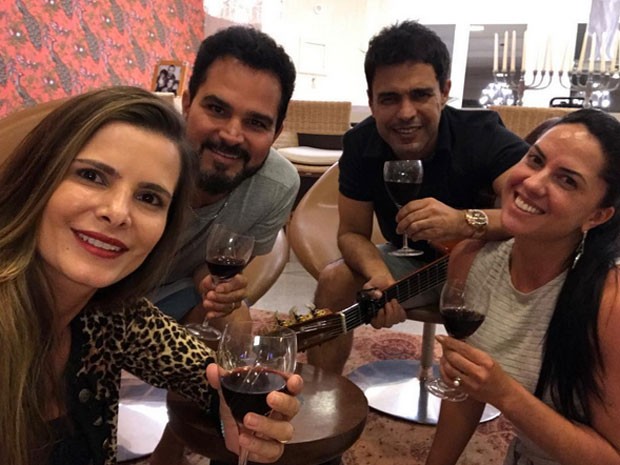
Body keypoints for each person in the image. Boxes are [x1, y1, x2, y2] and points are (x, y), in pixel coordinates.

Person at [0, 86, 302, 465]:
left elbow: (203, 373)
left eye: (149, 198)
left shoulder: (111, 313)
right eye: (92, 176)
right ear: (37, 177)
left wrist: (233, 408)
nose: (117, 212)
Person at [307, 21, 529, 373]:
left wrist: (463, 221)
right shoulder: (360, 143)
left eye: (421, 95)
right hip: (414, 265)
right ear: (371, 101)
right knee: (334, 280)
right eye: (389, 98)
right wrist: (379, 275)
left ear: (444, 91)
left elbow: (535, 213)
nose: (406, 113)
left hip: (488, 267)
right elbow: (350, 233)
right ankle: (321, 391)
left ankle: (487, 388)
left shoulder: (482, 135)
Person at [425, 109, 620, 465]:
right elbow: (465, 390)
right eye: (535, 160)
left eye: (567, 180)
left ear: (597, 215)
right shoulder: (471, 259)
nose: (532, 184)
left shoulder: (609, 302)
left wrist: (505, 394)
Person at [150, 25, 299, 332]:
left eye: (256, 123)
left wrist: (210, 282)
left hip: (173, 295)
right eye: (217, 109)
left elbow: (207, 267)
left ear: (276, 133)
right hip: (97, 288)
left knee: (236, 322)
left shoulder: (276, 187)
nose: (232, 135)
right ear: (187, 104)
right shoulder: (144, 154)